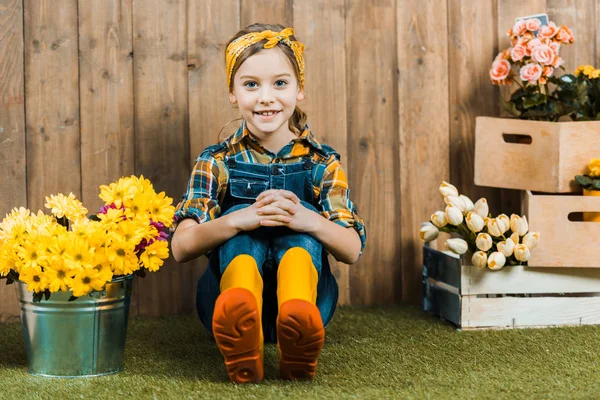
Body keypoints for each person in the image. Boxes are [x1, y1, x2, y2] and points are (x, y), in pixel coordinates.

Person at [170, 23, 366, 384]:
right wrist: (239, 219)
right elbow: (181, 247)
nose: (266, 97)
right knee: (235, 224)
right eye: (250, 85)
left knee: (302, 233)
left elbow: (352, 249)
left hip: (312, 301)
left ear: (299, 89)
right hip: (221, 301)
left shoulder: (323, 163)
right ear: (232, 93)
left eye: (280, 83)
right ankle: (241, 312)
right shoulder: (216, 161)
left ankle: (298, 316)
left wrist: (308, 220)